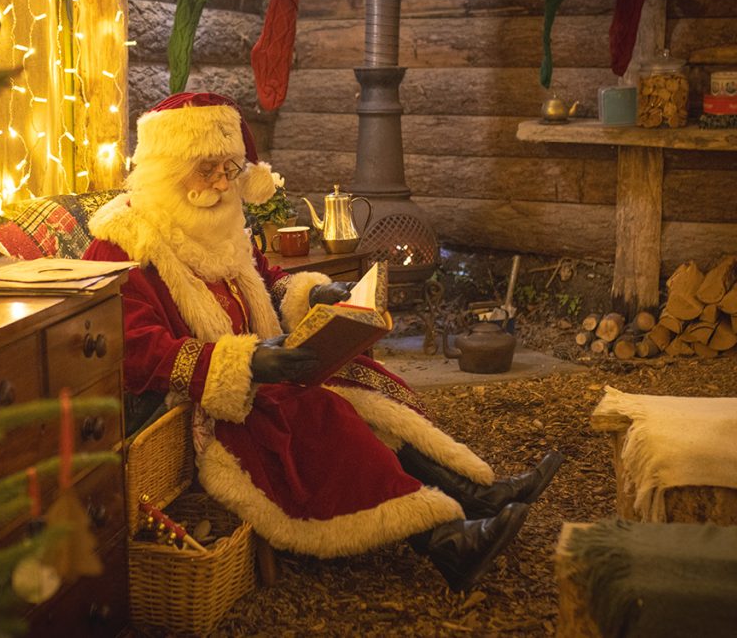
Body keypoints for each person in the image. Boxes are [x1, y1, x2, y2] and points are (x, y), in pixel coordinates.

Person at [83, 92, 563, 592]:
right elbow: (133, 348)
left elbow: (264, 277)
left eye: (230, 168)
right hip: (202, 403)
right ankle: (446, 541)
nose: (223, 183)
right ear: (166, 168)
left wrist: (315, 292)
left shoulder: (216, 225)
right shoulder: (120, 246)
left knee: (363, 379)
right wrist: (243, 364)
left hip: (259, 374)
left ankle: (475, 495)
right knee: (320, 412)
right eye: (207, 170)